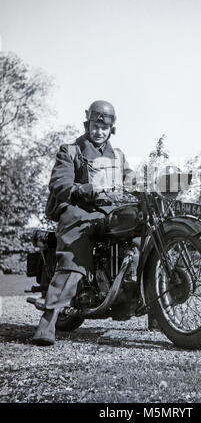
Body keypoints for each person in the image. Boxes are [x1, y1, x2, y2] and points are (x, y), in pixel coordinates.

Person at [32, 100, 135, 346]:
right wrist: (82, 189)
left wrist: (139, 182)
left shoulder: (118, 155)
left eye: (105, 127)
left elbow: (130, 178)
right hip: (80, 209)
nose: (99, 132)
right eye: (94, 126)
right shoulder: (70, 151)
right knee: (74, 254)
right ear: (87, 124)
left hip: (110, 211)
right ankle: (48, 322)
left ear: (112, 129)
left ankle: (136, 301)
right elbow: (59, 183)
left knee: (140, 232)